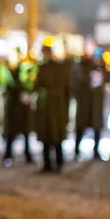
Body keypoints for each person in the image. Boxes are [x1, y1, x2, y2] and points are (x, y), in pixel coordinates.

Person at [34, 44, 70, 173]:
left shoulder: (45, 68)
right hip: (54, 107)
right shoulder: (58, 68)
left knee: (52, 137)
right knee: (53, 137)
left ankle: (51, 164)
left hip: (51, 106)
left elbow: (38, 84)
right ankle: (53, 163)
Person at [1, 48, 35, 166]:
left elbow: (29, 82)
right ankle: (8, 154)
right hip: (12, 105)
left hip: (22, 105)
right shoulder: (7, 69)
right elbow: (7, 85)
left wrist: (27, 93)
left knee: (25, 131)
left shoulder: (24, 68)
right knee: (12, 131)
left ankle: (26, 154)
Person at [73, 46, 108, 160]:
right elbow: (78, 80)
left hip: (96, 103)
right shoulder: (85, 66)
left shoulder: (102, 68)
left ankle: (96, 150)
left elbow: (109, 79)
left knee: (97, 127)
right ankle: (76, 149)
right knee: (81, 127)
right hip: (86, 103)